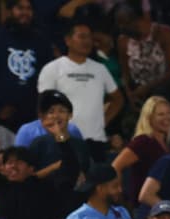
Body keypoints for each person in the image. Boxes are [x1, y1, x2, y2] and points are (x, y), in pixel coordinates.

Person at [36, 22, 122, 159]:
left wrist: (103, 121)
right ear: (68, 40)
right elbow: (43, 106)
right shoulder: (52, 68)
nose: (87, 41)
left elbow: (118, 98)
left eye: (89, 37)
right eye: (81, 37)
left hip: (96, 141)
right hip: (64, 141)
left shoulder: (100, 69)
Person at [0, 0, 53, 131]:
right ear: (9, 11)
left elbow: (49, 76)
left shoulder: (41, 40)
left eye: (29, 9)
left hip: (35, 115)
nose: (25, 13)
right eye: (20, 8)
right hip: (3, 117)